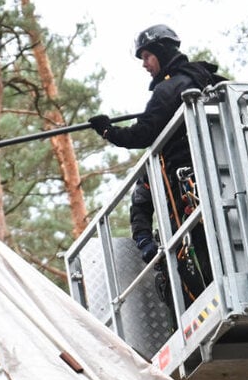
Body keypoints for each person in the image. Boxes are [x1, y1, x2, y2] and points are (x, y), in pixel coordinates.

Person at [90, 24, 225, 306]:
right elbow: (141, 203)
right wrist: (145, 242)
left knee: (196, 265)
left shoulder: (169, 89)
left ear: (162, 53)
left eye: (147, 56)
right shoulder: (210, 80)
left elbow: (143, 133)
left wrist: (108, 131)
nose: (144, 64)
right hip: (223, 180)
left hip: (190, 194)